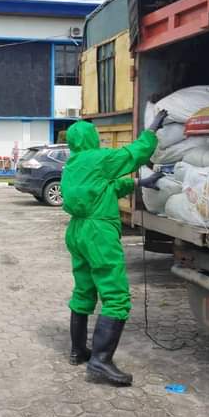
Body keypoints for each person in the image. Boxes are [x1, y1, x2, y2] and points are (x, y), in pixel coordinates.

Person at [61, 111, 167, 386]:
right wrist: (151, 131)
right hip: (98, 233)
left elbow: (104, 187)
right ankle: (100, 362)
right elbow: (135, 154)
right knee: (116, 294)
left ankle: (78, 351)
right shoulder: (98, 159)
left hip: (77, 231)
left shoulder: (73, 164)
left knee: (84, 288)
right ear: (92, 138)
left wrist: (138, 183)